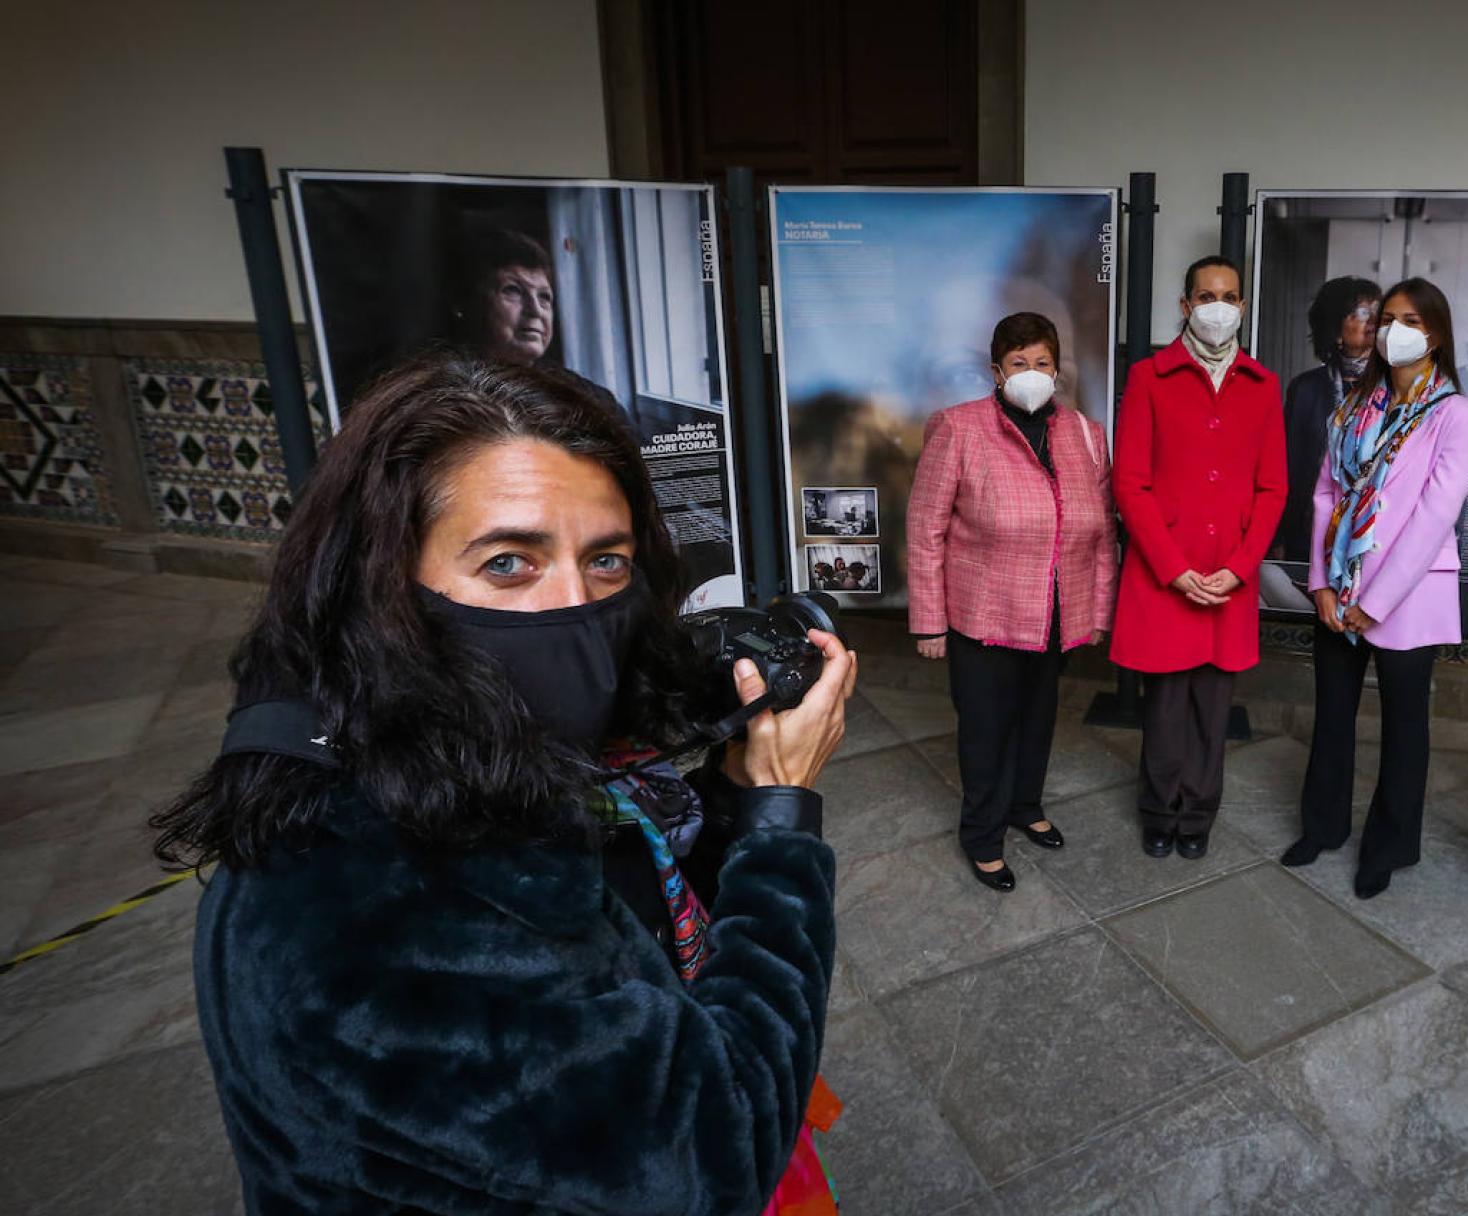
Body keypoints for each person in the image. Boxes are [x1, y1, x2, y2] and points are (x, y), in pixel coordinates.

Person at [152, 357, 857, 1214]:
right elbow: (719, 1151)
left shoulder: (476, 753)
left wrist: (734, 797)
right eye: (508, 565)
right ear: (381, 583)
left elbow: (628, 938)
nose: (572, 608)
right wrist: (779, 825)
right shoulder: (361, 895)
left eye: (605, 562)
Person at [1281, 278, 1468, 898]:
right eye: (1388, 317)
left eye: (1410, 320)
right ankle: (1323, 827)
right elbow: (1323, 495)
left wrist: (1374, 603)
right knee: (1333, 717)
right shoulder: (1352, 409)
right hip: (1336, 590)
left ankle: (1389, 846)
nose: (1394, 329)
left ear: (1437, 335)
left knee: (1405, 729)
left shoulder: (1460, 417)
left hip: (1406, 598)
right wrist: (1321, 584)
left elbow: (1433, 518)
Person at [909, 311, 1118, 891]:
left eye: (1043, 363)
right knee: (986, 729)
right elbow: (926, 527)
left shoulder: (1085, 434)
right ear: (996, 371)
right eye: (1019, 363)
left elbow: (1103, 532)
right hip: (984, 615)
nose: (1033, 373)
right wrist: (929, 623)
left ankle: (1025, 806)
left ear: (1058, 369)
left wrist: (1098, 612)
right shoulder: (957, 428)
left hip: (1056, 611)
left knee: (1039, 718)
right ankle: (982, 836)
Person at [1110, 256, 1287, 860]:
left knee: (1214, 708)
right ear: (1185, 305)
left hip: (1228, 574)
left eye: (1230, 296)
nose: (1218, 306)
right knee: (1163, 708)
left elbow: (1273, 489)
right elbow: (1129, 481)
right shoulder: (1149, 377)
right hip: (1168, 572)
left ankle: (1199, 814)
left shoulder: (1263, 387)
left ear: (1242, 306)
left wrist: (1240, 567)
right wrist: (1173, 566)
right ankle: (1159, 810)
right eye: (1206, 295)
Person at [1278, 276, 1381, 566]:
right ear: (1336, 329)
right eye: (1361, 313)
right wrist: (1280, 537)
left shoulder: (1393, 388)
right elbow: (1290, 468)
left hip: (1373, 538)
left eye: (1377, 311)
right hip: (1310, 534)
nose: (1373, 320)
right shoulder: (1306, 389)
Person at [453, 228, 556, 366]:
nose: (536, 310)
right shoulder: (446, 384)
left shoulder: (568, 386)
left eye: (544, 297)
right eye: (513, 291)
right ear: (464, 302)